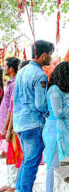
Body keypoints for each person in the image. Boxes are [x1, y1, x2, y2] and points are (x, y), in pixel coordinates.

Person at [13, 40, 54, 191]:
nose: (50, 58)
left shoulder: (22, 71)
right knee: (31, 163)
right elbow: (40, 104)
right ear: (44, 55)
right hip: (33, 123)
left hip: (19, 123)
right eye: (50, 54)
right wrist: (50, 113)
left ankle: (20, 189)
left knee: (27, 161)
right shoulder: (40, 75)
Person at [42, 61, 69, 192]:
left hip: (64, 131)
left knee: (62, 164)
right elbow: (58, 113)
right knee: (53, 166)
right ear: (65, 75)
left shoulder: (62, 90)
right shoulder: (54, 90)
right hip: (55, 131)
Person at [0, 57, 20, 192]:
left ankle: (14, 184)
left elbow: (11, 109)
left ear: (11, 69)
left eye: (5, 66)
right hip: (5, 125)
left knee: (13, 154)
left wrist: (8, 129)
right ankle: (10, 182)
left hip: (10, 127)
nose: (4, 68)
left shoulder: (15, 84)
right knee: (8, 154)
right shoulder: (10, 83)